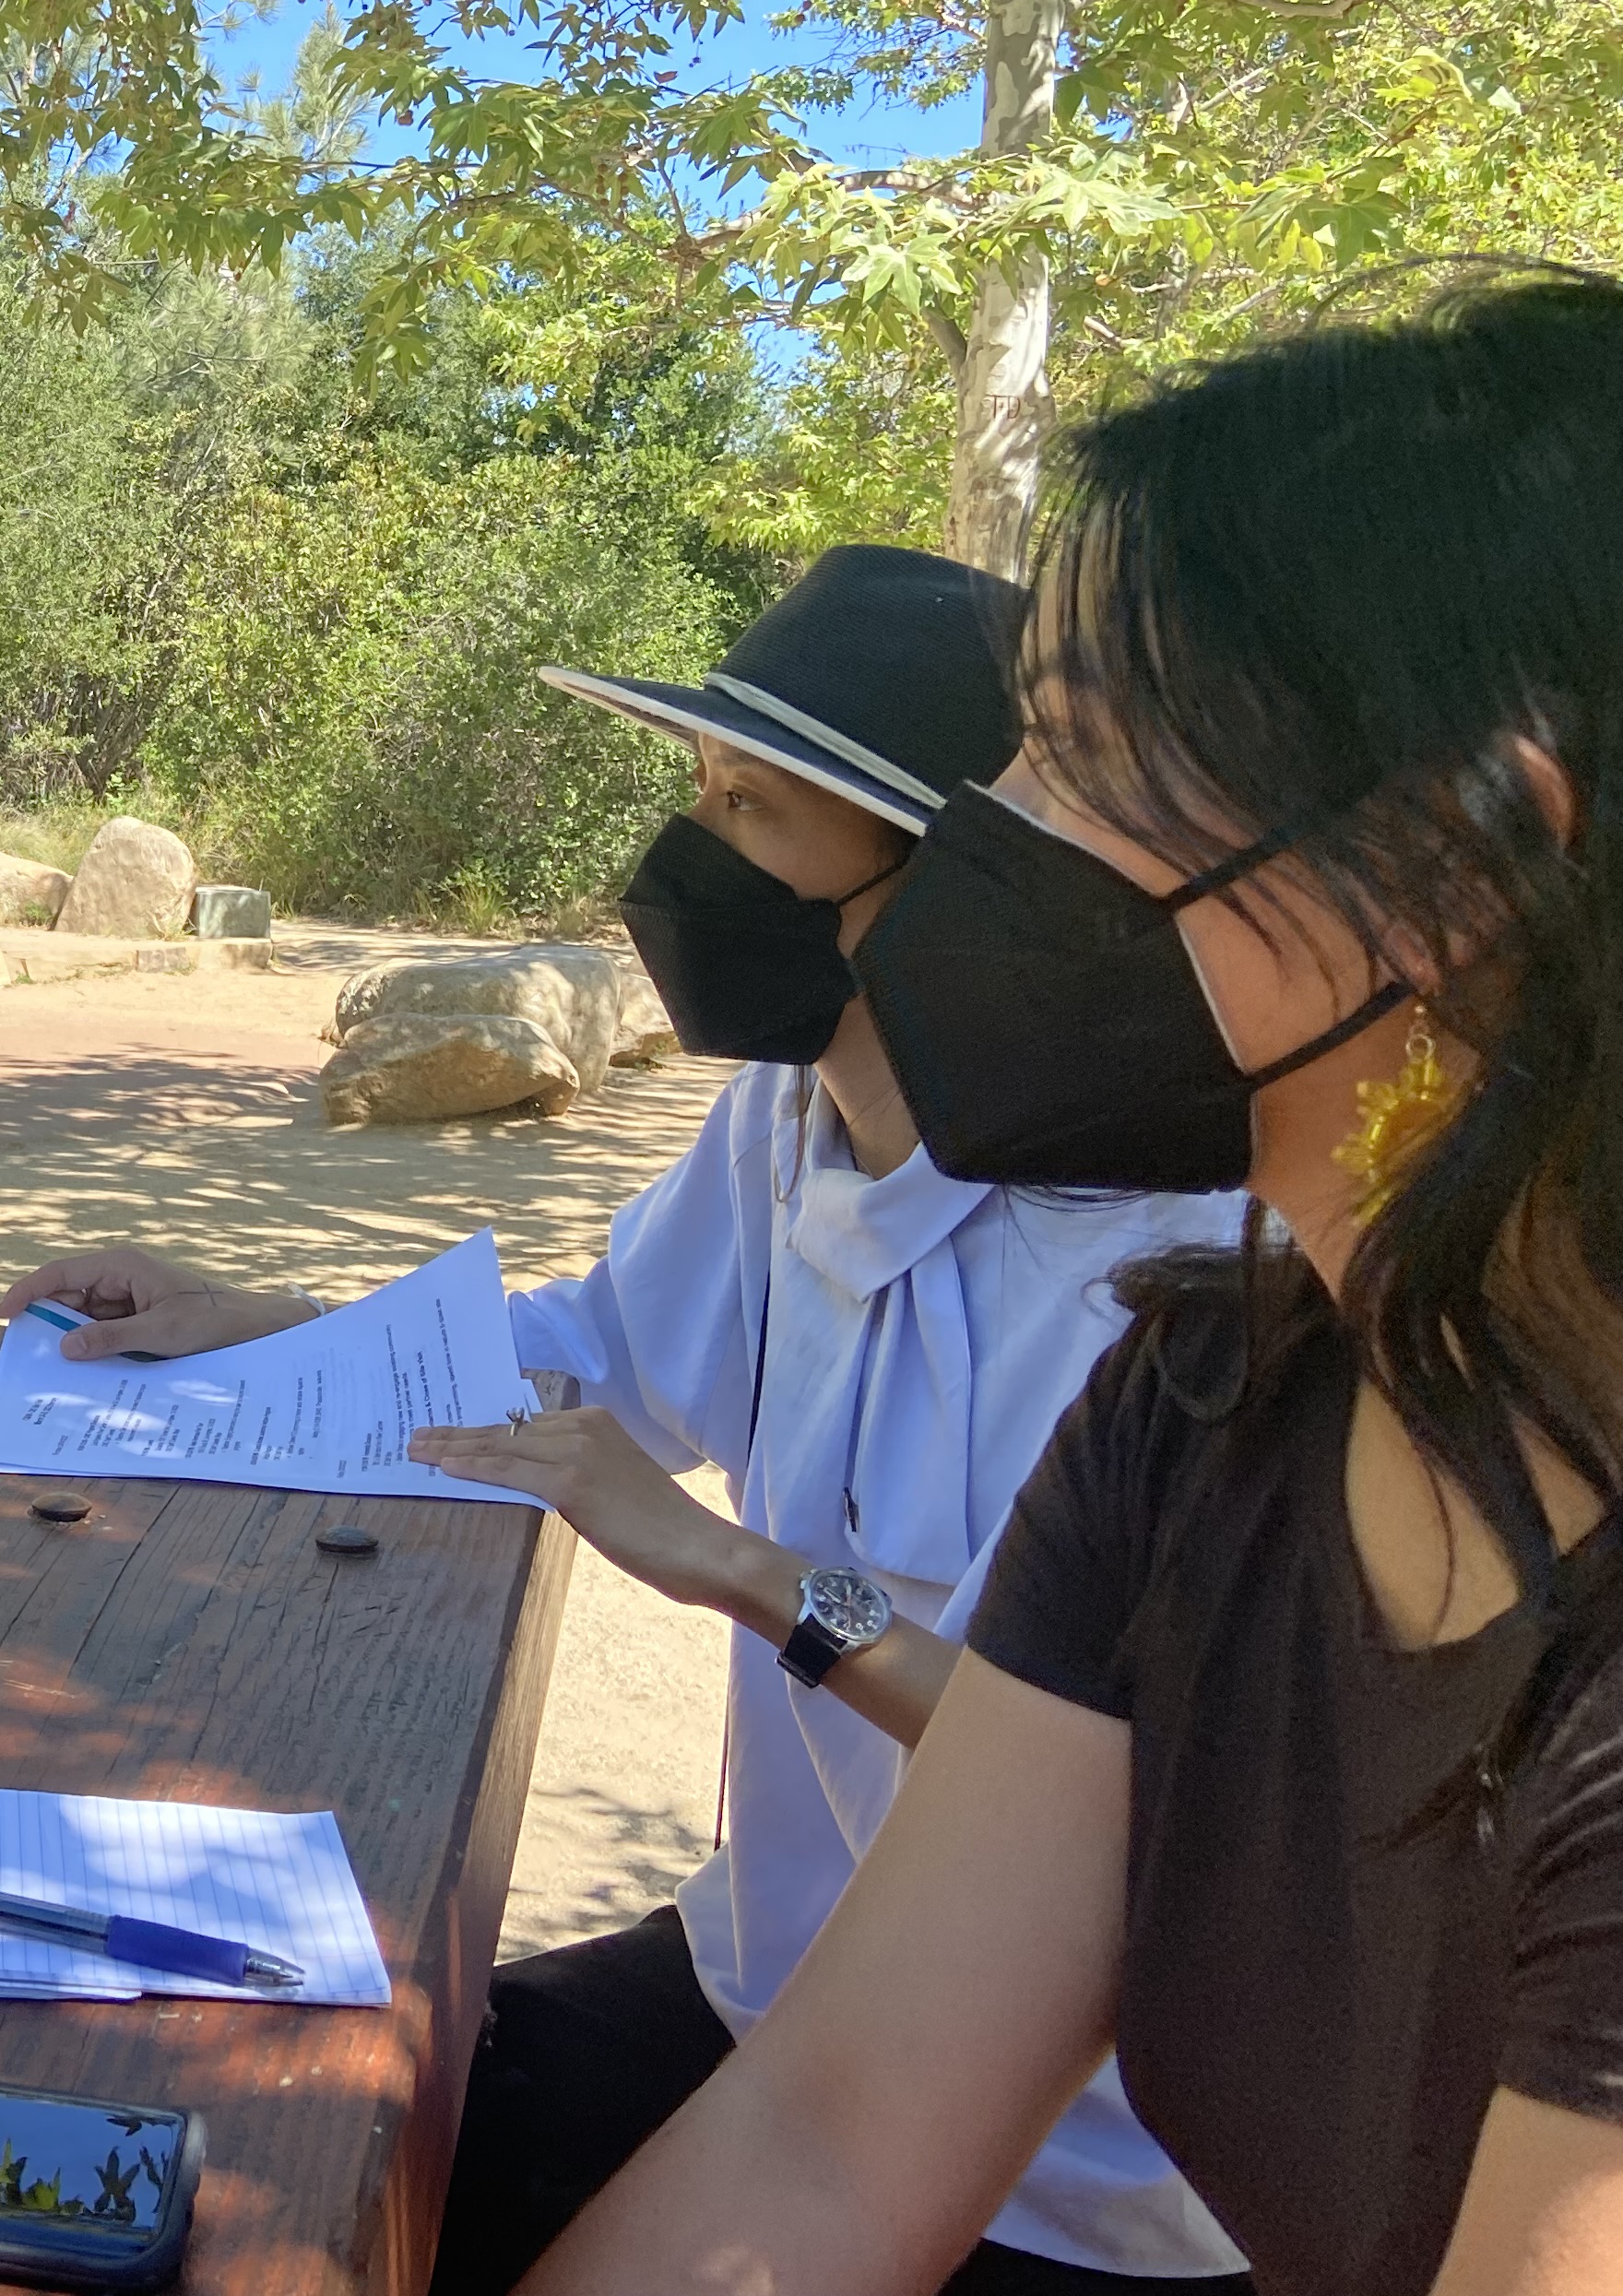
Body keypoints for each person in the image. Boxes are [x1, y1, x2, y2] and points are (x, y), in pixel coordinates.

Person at [514, 275, 1623, 2296]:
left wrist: (749, 1578)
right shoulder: (1212, 1412)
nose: (990, 850)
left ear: (1473, 875)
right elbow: (833, 2142)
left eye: (1085, 767)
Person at [1, 545, 1249, 2293]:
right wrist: (245, 1325)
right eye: (701, 793)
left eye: (757, 811)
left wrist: (746, 1572)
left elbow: (1123, 1806)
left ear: (955, 879)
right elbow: (586, 1366)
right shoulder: (785, 1124)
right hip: (769, 1981)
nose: (690, 861)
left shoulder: (1166, 1275)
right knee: (311, 2156)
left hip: (1067, 2165)